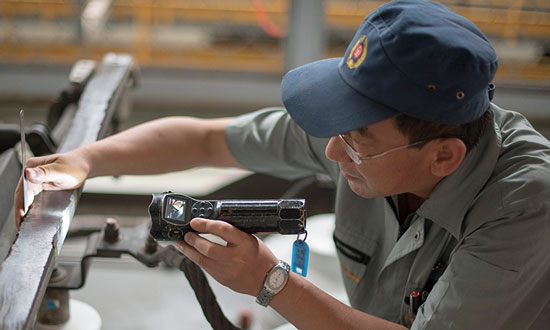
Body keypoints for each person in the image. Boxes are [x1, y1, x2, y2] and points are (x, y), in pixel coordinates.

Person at [14, 0, 550, 329]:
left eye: (357, 144)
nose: (333, 154)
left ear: (443, 157)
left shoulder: (525, 207)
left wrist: (271, 282)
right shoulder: (363, 132)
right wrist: (86, 158)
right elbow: (203, 141)